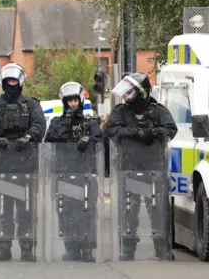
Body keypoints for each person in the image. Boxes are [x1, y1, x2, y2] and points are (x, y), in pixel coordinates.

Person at [104, 72, 177, 260]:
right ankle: (127, 249)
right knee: (128, 210)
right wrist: (135, 133)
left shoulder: (157, 110)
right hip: (129, 169)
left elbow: (171, 129)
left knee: (158, 211)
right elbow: (111, 130)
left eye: (130, 93)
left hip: (154, 169)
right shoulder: (120, 111)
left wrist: (152, 132)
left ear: (141, 92)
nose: (126, 97)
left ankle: (162, 249)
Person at [0, 63, 46, 261]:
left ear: (20, 82)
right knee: (4, 209)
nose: (11, 85)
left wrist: (28, 137)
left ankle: (27, 246)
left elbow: (39, 125)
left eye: (13, 81)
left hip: (26, 164)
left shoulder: (32, 105)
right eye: (7, 81)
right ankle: (4, 245)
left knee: (26, 209)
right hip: (1, 164)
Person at [44, 81, 103, 262]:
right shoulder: (56, 122)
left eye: (75, 101)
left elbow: (101, 141)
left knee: (87, 211)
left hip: (85, 174)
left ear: (80, 100)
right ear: (64, 101)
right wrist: (66, 136)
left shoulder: (89, 122)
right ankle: (71, 248)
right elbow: (48, 141)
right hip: (63, 173)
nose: (72, 104)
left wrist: (89, 139)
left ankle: (87, 249)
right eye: (69, 101)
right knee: (66, 213)